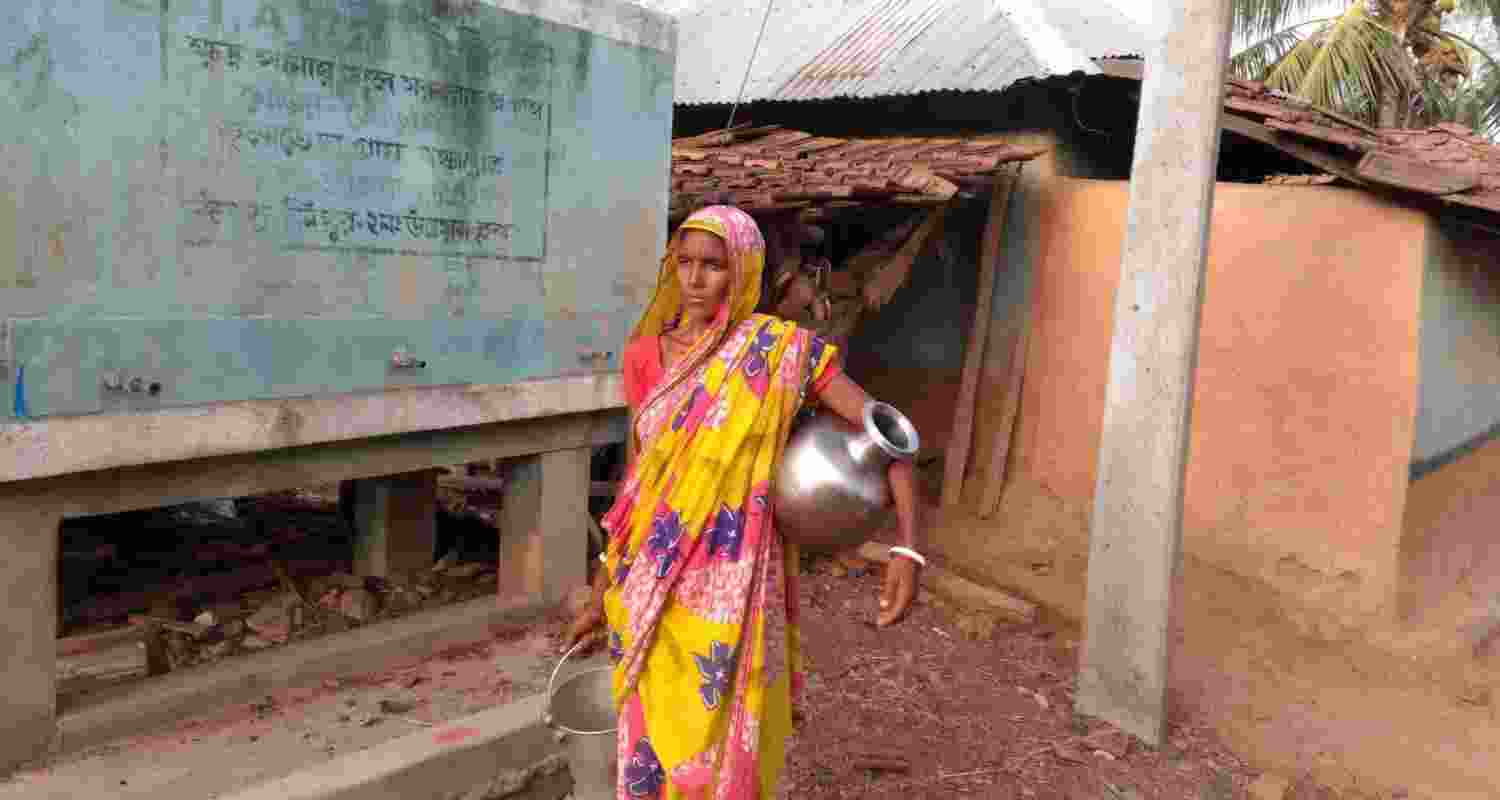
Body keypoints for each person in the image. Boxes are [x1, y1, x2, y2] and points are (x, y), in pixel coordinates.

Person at [562, 206, 925, 799]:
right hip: (648, 577)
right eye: (685, 263)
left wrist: (909, 547)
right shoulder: (645, 356)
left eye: (714, 265)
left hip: (730, 585)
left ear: (746, 271)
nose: (696, 279)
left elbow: (889, 435)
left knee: (715, 739)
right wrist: (604, 589)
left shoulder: (776, 352)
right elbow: (641, 480)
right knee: (650, 735)